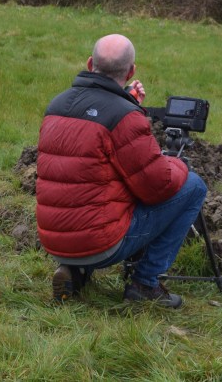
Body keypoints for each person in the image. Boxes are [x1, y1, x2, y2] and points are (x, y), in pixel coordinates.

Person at [36, 34, 208, 308]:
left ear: (90, 64)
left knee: (91, 183)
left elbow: (95, 128)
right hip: (100, 244)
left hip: (53, 238)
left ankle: (75, 271)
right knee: (194, 185)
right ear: (131, 72)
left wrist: (128, 103)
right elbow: (158, 187)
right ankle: (145, 283)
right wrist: (176, 163)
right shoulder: (124, 117)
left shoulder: (56, 106)